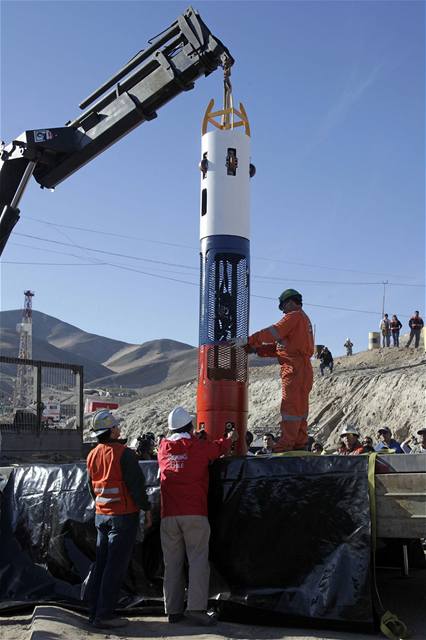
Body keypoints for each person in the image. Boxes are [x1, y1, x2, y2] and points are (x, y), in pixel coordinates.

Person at [157, 406, 237, 627]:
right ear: (190, 427)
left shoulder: (163, 448)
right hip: (194, 513)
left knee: (171, 563)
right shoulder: (198, 447)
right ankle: (196, 609)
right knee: (198, 561)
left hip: (169, 515)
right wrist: (230, 438)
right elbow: (218, 449)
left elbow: (178, 450)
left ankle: (172, 610)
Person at [86, 410, 152, 629]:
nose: (119, 428)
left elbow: (91, 488)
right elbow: (137, 487)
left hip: (101, 516)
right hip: (122, 517)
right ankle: (104, 615)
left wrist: (102, 506)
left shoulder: (92, 454)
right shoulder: (124, 454)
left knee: (101, 564)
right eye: (116, 426)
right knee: (115, 567)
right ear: (112, 430)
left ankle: (94, 611)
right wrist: (146, 509)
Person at [245, 288, 314, 452]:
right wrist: (256, 350)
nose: (282, 311)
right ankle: (299, 443)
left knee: (290, 408)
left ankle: (285, 445)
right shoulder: (303, 320)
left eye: (283, 306)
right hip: (304, 369)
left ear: (290, 302)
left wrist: (249, 341)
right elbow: (280, 348)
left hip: (293, 369)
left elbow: (273, 332)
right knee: (300, 410)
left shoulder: (294, 316)